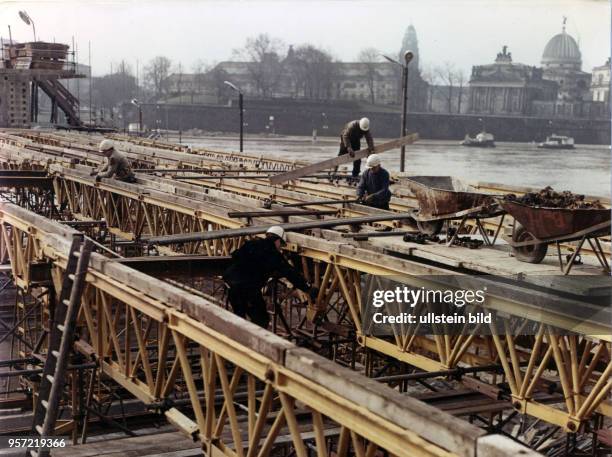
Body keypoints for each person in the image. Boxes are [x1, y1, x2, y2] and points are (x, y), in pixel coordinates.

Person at [223, 226, 318, 329]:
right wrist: (308, 288)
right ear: (277, 241)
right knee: (262, 321)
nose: (280, 248)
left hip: (230, 284)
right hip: (247, 289)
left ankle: (237, 342)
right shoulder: (273, 254)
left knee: (239, 320)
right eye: (281, 244)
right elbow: (290, 273)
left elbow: (234, 256)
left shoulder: (251, 244)